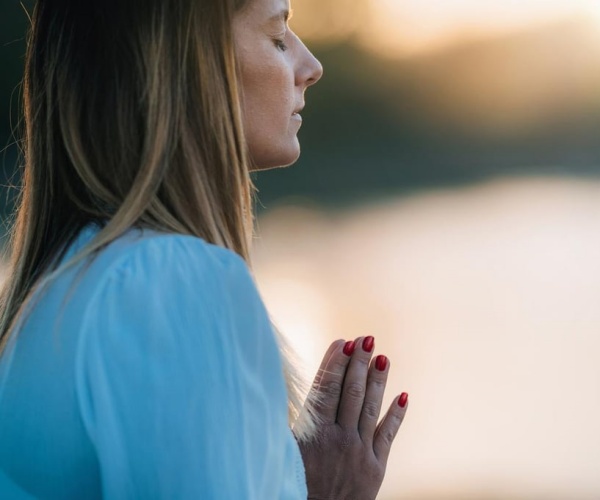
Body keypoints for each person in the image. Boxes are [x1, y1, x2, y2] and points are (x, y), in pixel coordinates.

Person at [0, 0, 409, 497]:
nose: (311, 67)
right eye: (278, 37)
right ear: (191, 65)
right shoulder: (172, 284)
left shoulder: (57, 296)